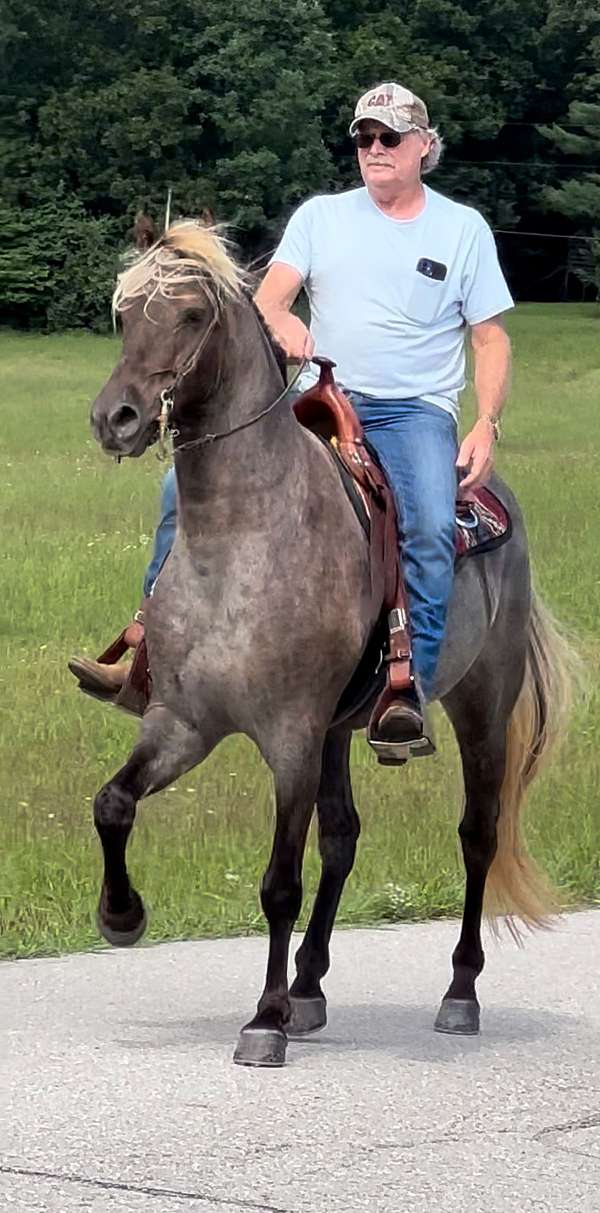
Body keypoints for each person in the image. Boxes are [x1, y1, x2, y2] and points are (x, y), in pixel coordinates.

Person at [71, 81, 513, 746]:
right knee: (175, 491)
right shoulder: (321, 218)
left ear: (425, 146)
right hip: (317, 398)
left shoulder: (462, 230)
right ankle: (151, 655)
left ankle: (407, 687)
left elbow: (490, 337)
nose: (374, 149)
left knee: (424, 522)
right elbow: (269, 298)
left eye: (389, 137)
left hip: (410, 412)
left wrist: (484, 422)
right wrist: (283, 324)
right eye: (364, 137)